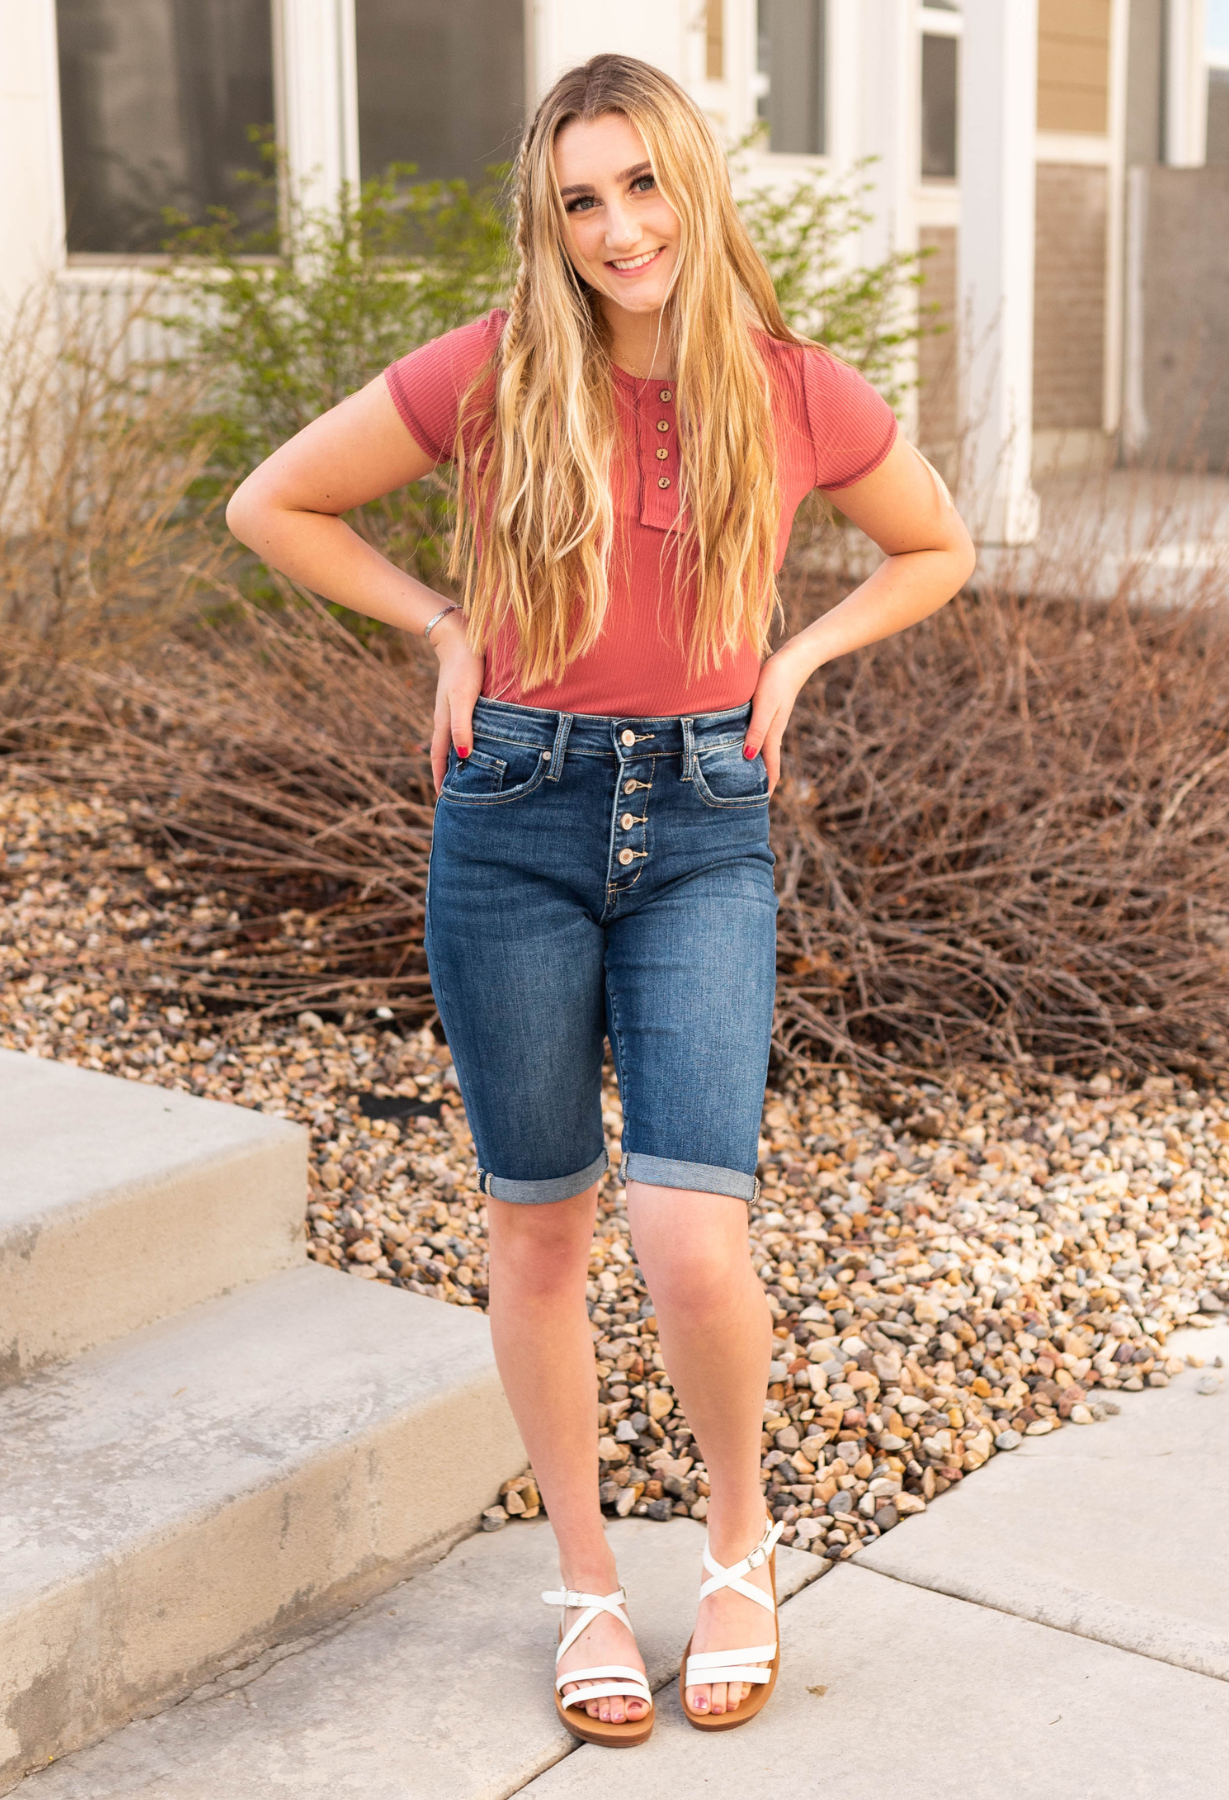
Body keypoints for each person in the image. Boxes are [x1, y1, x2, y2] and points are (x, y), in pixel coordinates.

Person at [227, 52, 974, 1747]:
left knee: (688, 1238)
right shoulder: (490, 372)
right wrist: (440, 625)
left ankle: (735, 1550)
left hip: (706, 820)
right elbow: (272, 501)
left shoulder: (792, 389)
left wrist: (796, 651)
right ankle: (580, 1576)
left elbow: (936, 547)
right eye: (582, 198)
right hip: (509, 814)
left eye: (642, 185)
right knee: (540, 1224)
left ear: (692, 188)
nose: (619, 226)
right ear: (546, 221)